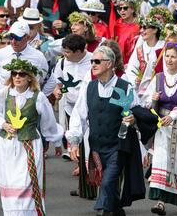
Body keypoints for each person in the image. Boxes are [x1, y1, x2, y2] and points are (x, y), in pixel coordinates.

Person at [66, 46, 156, 215]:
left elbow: (137, 110)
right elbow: (79, 115)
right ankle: (116, 210)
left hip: (118, 145)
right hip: (97, 145)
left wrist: (134, 119)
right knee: (108, 182)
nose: (93, 64)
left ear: (109, 64)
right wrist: (74, 141)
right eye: (92, 61)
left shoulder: (125, 87)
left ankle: (105, 210)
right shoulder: (89, 88)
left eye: (97, 61)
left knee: (108, 181)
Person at [0, 58, 63, 215]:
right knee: (9, 183)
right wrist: (3, 124)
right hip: (7, 146)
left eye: (21, 74)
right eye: (14, 74)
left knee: (27, 183)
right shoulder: (4, 93)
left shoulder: (37, 97)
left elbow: (49, 122)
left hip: (29, 145)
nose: (17, 77)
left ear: (29, 77)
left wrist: (57, 141)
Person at [142, 43, 177, 214]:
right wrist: (152, 98)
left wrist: (173, 116)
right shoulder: (158, 78)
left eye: (173, 57)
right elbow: (144, 101)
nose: (169, 60)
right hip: (162, 127)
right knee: (162, 161)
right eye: (167, 56)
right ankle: (160, 202)